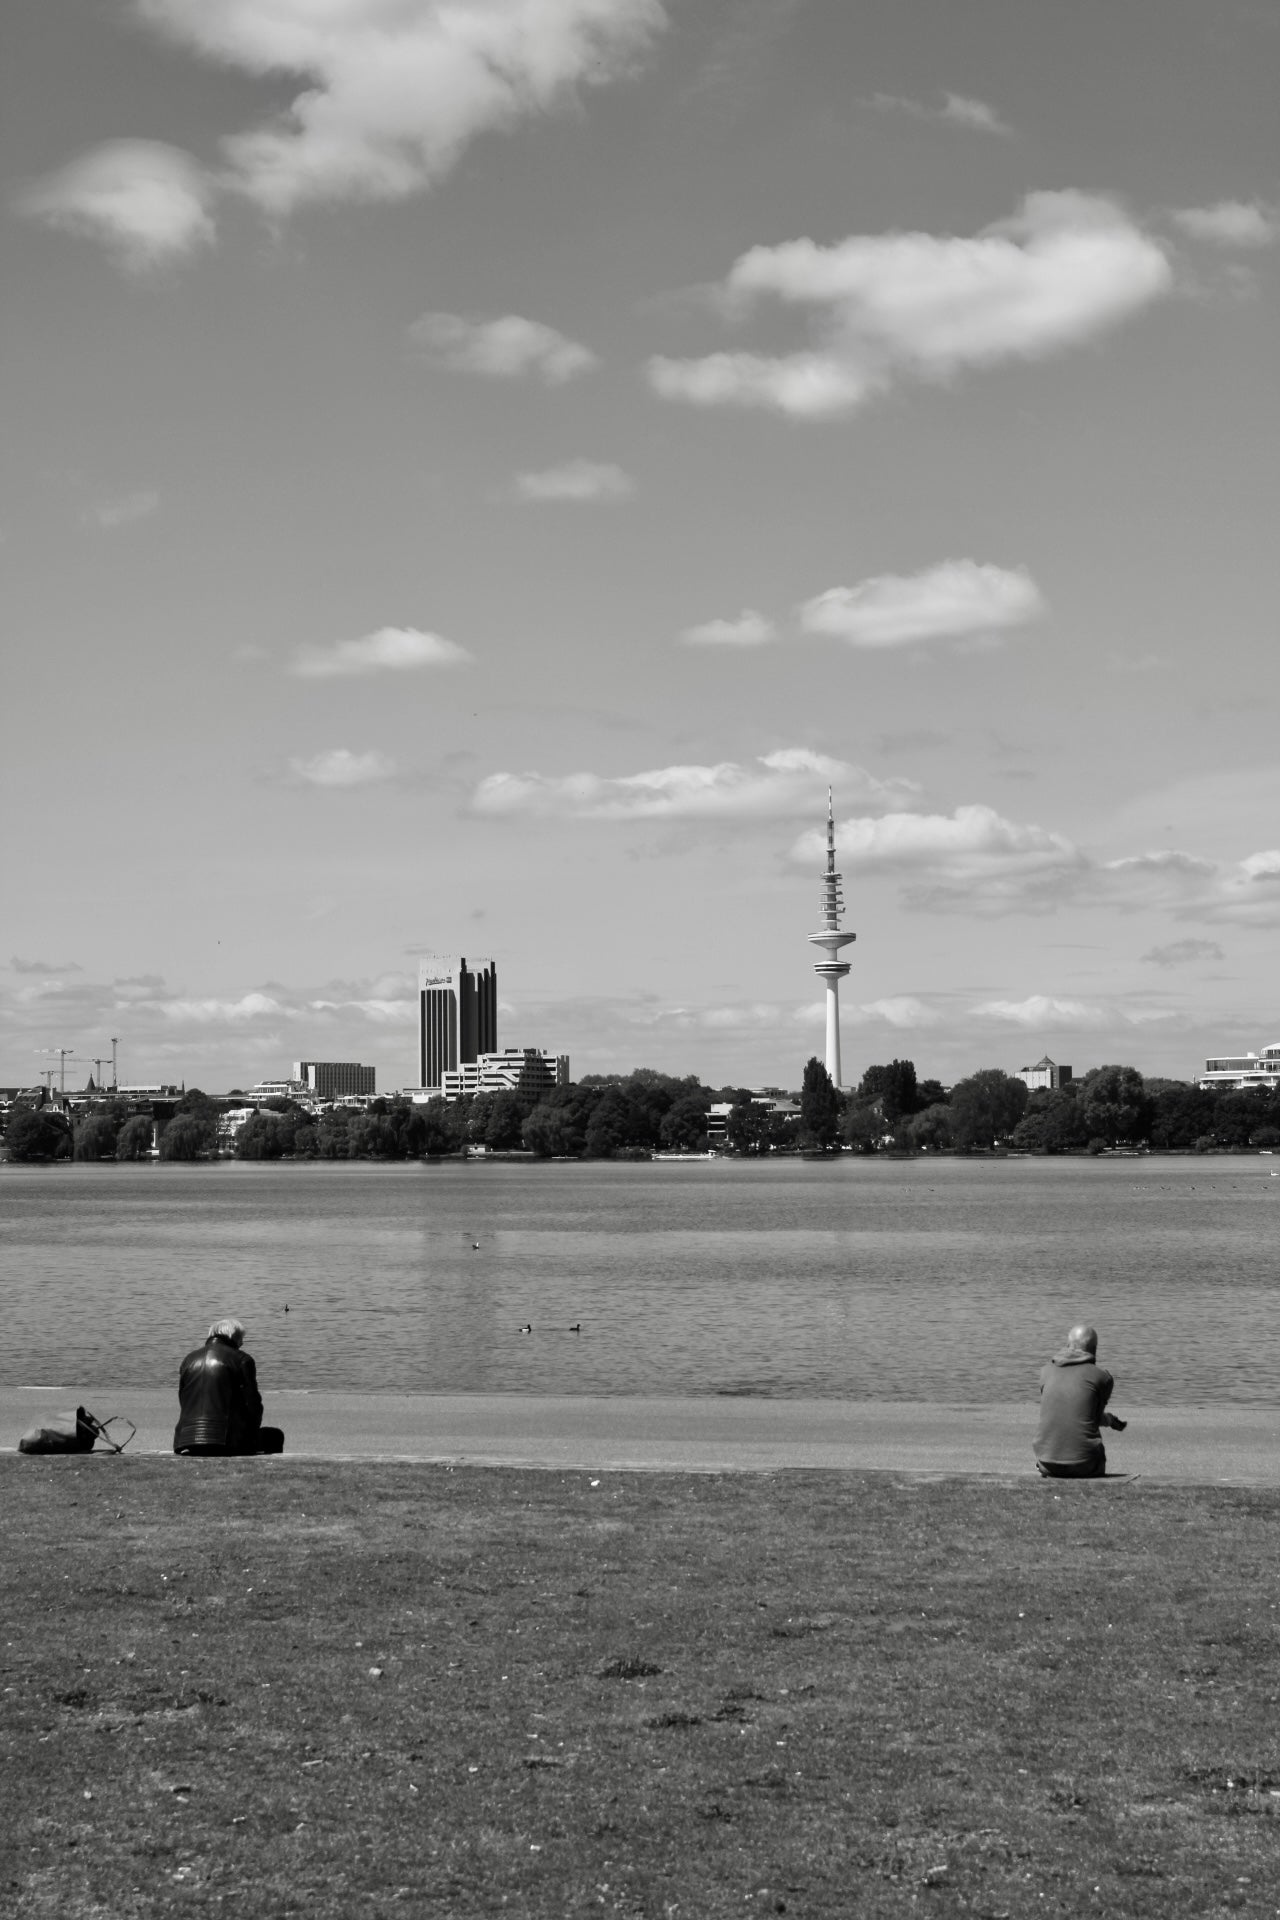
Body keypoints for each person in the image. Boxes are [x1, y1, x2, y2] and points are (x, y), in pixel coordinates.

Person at [174, 1318, 283, 1455]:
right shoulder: (242, 1359)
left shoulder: (189, 1359)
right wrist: (250, 1431)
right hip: (226, 1441)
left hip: (186, 1440)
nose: (242, 1343)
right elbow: (253, 1404)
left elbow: (183, 1400)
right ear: (234, 1337)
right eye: (241, 1338)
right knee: (275, 1436)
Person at [1033, 1322, 1126, 1479]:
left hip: (1046, 1464)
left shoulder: (1045, 1372)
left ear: (1068, 1345)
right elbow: (1093, 1418)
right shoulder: (1102, 1378)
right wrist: (1109, 1420)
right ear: (1095, 1349)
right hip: (1085, 1466)